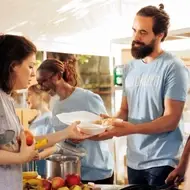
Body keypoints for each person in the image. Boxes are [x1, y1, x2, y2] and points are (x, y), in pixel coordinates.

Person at [90, 4, 189, 186]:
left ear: (160, 35)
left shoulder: (173, 67)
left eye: (143, 32)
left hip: (163, 160)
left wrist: (132, 129)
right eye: (134, 30)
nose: (136, 37)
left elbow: (171, 120)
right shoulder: (130, 67)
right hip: (135, 160)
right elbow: (124, 111)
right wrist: (106, 125)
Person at [0, 34, 91, 190]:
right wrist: (20, 157)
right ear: (13, 66)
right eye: (30, 66)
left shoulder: (6, 100)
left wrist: (67, 133)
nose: (33, 74)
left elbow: (28, 142)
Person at [36, 56, 114, 184]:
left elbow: (109, 131)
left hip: (98, 172)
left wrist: (85, 135)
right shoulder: (55, 106)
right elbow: (61, 142)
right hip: (72, 173)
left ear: (57, 76)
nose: (41, 87)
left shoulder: (88, 98)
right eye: (38, 84)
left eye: (43, 81)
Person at [26, 84, 56, 177]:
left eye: (30, 94)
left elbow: (56, 146)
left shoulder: (50, 118)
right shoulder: (35, 119)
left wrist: (40, 155)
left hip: (45, 171)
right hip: (34, 170)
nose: (26, 99)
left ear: (41, 96)